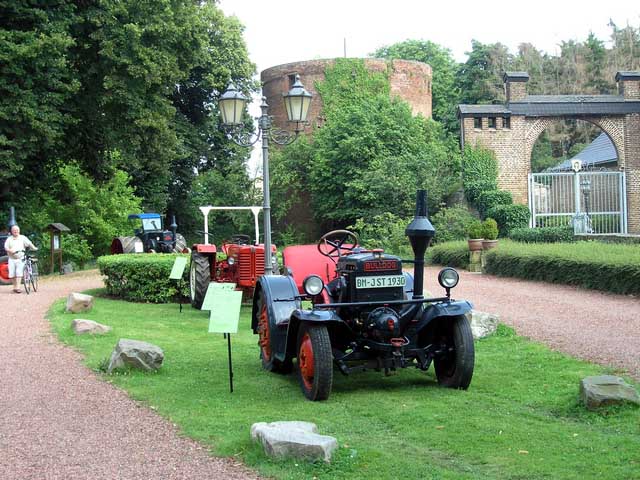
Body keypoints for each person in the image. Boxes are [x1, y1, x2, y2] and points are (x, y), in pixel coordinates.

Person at [4, 224, 37, 293]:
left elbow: (29, 243)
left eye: (17, 230)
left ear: (19, 231)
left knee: (19, 272)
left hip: (20, 258)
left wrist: (34, 248)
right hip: (11, 258)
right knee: (12, 273)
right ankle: (15, 287)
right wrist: (10, 251)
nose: (15, 231)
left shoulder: (22, 238)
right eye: (14, 230)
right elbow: (6, 247)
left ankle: (18, 287)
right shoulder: (9, 239)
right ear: (12, 231)